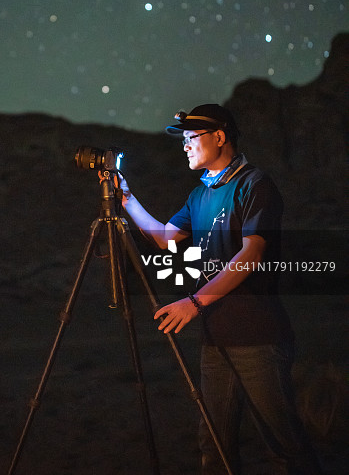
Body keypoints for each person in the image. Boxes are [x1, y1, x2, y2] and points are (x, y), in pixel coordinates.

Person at [118, 104, 322, 475]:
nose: (184, 146)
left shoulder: (254, 184)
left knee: (284, 447)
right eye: (182, 140)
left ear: (220, 136)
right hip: (215, 340)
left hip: (258, 338)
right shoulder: (200, 195)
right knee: (214, 446)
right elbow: (166, 238)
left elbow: (253, 253)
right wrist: (126, 198)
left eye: (191, 138)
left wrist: (194, 303)